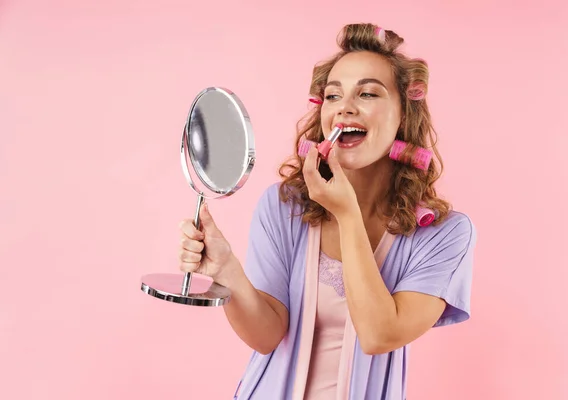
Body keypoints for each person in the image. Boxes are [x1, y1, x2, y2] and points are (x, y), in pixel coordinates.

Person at [178, 23, 477, 400]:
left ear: (405, 114)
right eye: (333, 96)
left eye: (368, 93)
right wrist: (227, 272)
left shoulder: (444, 234)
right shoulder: (283, 206)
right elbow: (268, 335)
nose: (345, 108)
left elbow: (379, 334)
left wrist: (347, 214)